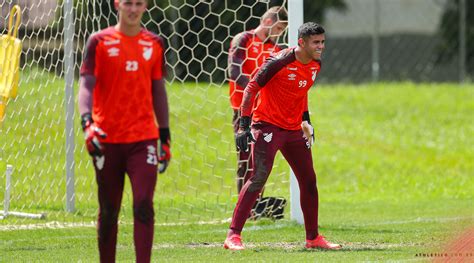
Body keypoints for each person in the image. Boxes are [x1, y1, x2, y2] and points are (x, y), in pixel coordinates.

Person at [224, 22, 342, 251]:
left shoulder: (316, 64)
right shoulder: (279, 61)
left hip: (293, 130)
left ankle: (313, 238)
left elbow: (301, 92)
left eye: (322, 42)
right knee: (258, 177)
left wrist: (306, 121)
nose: (321, 46)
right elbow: (251, 88)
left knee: (309, 181)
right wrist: (244, 125)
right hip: (266, 126)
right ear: (302, 42)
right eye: (316, 42)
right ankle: (233, 235)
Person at [77, 0, 171, 262]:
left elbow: (158, 90)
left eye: (138, 3)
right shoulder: (99, 41)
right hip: (106, 139)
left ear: (145, 7)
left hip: (144, 139)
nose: (133, 9)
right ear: (118, 4)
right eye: (128, 3)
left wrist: (165, 137)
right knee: (108, 210)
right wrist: (88, 124)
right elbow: (85, 85)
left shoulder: (154, 43)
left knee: (143, 204)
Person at [228, 6, 288, 220]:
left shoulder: (276, 49)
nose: (280, 32)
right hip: (243, 110)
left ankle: (255, 207)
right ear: (269, 21)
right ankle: (243, 210)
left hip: (265, 113)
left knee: (260, 161)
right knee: (244, 160)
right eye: (279, 27)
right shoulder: (243, 39)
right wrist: (254, 89)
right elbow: (233, 71)